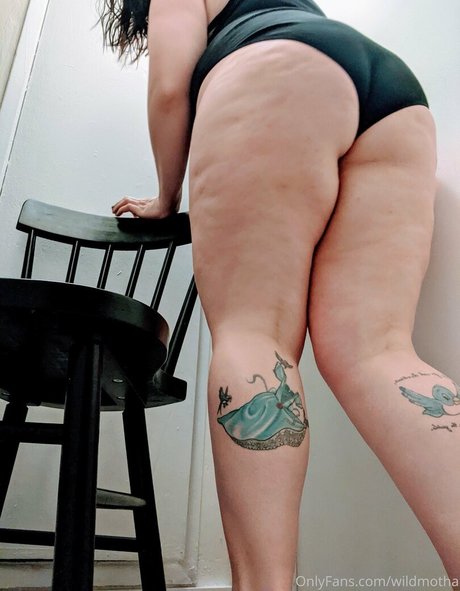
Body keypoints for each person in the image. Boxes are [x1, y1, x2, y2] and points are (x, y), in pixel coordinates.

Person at [97, 1, 458, 589]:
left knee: (253, 332)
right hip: (394, 98)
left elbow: (167, 88)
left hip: (274, 70)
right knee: (379, 353)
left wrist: (166, 196)